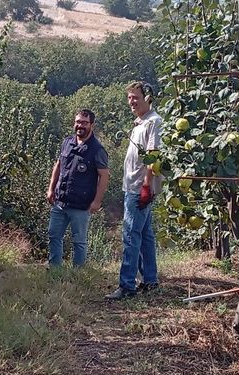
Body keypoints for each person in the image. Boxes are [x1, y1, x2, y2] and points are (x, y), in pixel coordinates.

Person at [105, 81, 163, 300]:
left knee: (130, 234)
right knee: (145, 235)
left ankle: (127, 285)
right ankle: (150, 280)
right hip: (132, 186)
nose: (131, 101)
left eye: (135, 97)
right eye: (129, 97)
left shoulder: (154, 122)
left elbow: (153, 156)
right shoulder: (140, 122)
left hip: (139, 188)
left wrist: (146, 186)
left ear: (147, 97)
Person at [46, 109, 109, 267]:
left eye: (84, 123)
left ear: (92, 125)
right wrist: (51, 189)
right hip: (60, 201)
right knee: (54, 236)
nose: (80, 125)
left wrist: (97, 202)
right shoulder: (67, 142)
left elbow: (104, 176)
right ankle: (55, 271)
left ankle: (78, 275)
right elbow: (58, 165)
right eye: (78, 122)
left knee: (79, 242)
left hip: (81, 205)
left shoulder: (97, 150)